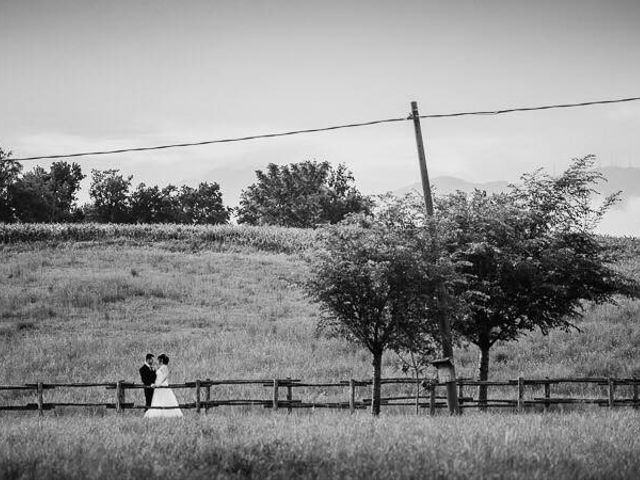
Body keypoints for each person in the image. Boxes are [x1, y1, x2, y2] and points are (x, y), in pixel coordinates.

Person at [144, 354, 183, 418]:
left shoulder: (164, 367)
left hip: (162, 385)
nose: (158, 361)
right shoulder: (162, 367)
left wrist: (158, 384)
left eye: (159, 360)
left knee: (164, 398)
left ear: (161, 360)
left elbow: (164, 377)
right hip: (159, 385)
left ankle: (165, 413)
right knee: (158, 399)